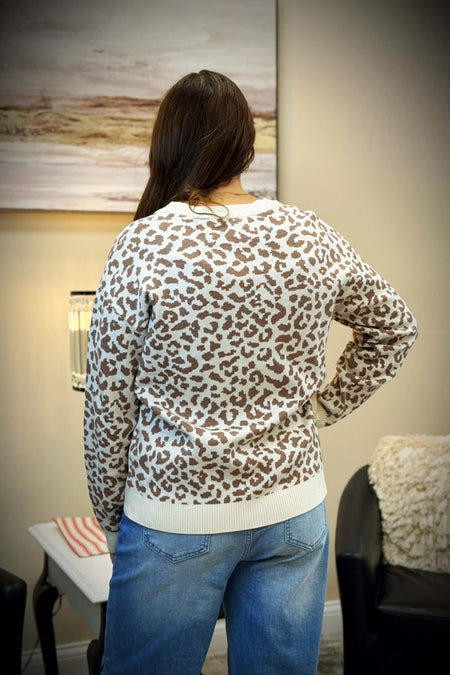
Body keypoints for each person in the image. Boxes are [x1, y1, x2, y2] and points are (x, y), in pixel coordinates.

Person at [84, 70, 418, 675]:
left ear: (168, 144)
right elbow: (395, 326)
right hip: (292, 510)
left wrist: (111, 519)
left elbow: (108, 403)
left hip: (175, 514)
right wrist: (323, 407)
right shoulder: (309, 234)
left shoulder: (143, 245)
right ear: (245, 143)